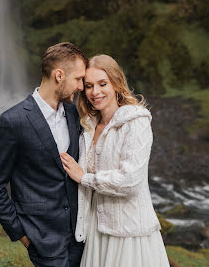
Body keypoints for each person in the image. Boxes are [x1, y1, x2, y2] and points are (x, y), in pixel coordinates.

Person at [0, 42, 88, 267]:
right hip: (42, 241)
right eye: (78, 79)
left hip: (81, 238)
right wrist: (21, 233)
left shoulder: (73, 113)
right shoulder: (11, 122)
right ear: (59, 75)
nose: (81, 86)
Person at [60, 54, 170, 267]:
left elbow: (129, 181)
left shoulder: (136, 122)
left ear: (117, 83)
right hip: (96, 229)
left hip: (129, 232)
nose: (95, 92)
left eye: (103, 84)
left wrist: (85, 178)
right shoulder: (87, 127)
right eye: (89, 85)